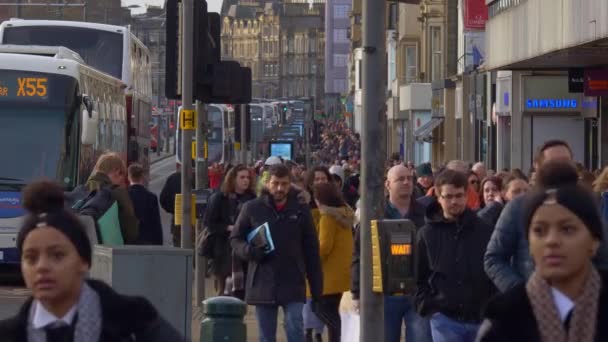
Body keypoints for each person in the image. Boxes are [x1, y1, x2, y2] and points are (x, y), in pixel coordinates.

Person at [0, 181, 184, 342]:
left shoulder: (134, 322)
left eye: (57, 255)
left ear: (84, 261)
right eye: (31, 258)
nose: (42, 266)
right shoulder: (10, 334)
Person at [477, 161, 608, 342]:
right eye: (539, 230)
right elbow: (493, 258)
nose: (551, 241)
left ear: (594, 241)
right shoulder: (504, 322)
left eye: (567, 229)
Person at [484, 140, 608, 292]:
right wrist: (520, 293)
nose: (561, 169)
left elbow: (603, 259)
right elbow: (493, 259)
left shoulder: (587, 206)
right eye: (554, 163)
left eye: (566, 163)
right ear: (538, 167)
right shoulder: (517, 207)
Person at [230, 164, 323, 342]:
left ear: (290, 185)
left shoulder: (300, 210)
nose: (280, 188)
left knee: (295, 326)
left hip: (293, 280)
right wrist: (249, 251)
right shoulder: (252, 208)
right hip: (263, 282)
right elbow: (235, 239)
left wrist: (317, 290)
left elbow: (311, 250)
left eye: (284, 184)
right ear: (268, 184)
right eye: (275, 183)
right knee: (266, 335)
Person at [351, 164, 432, 342]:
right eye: (400, 179)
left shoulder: (426, 213)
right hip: (384, 293)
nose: (406, 182)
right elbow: (359, 254)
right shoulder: (374, 214)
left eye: (409, 179)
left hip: (417, 290)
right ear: (387, 184)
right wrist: (356, 292)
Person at [415, 170, 495, 342]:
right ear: (438, 197)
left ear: (466, 195)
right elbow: (417, 275)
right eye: (448, 196)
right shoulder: (426, 234)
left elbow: (493, 270)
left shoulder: (485, 230)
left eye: (459, 196)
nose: (454, 201)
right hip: (444, 319)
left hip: (481, 318)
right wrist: (427, 305)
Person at [203, 164, 257, 297]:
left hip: (244, 251)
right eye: (242, 177)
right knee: (224, 291)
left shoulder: (252, 199)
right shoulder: (220, 198)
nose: (246, 180)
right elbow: (209, 224)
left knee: (240, 293)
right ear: (233, 179)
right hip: (223, 252)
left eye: (248, 178)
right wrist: (228, 228)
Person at [310, 183, 353, 342]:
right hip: (342, 274)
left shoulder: (328, 217)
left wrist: (311, 260)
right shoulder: (344, 214)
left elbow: (324, 246)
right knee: (334, 315)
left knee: (321, 309)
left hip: (328, 276)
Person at [85, 152, 139, 244]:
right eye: (122, 175)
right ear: (117, 172)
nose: (123, 180)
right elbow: (131, 232)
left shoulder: (84, 189)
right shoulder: (118, 192)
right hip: (110, 251)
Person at [127, 164, 163, 245]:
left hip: (129, 243)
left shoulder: (124, 196)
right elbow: (156, 224)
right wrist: (159, 245)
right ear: (142, 177)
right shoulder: (151, 197)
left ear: (129, 177)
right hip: (147, 242)